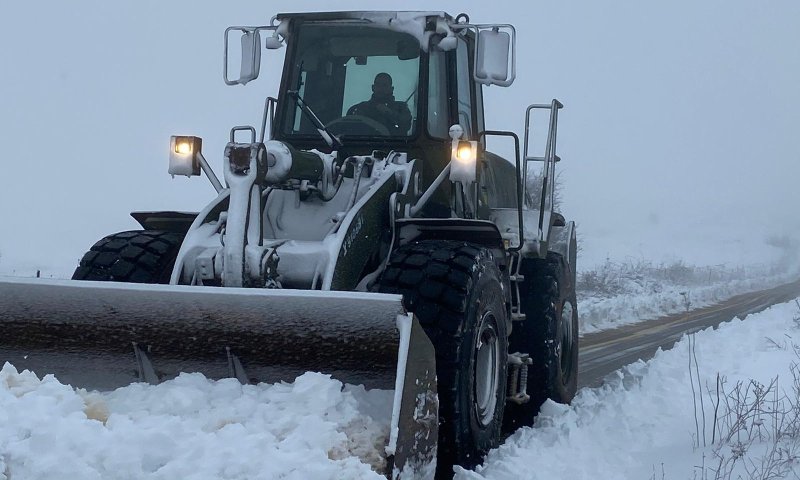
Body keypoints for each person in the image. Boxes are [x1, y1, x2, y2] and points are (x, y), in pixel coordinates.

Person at [347, 72, 412, 135]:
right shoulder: (359, 108)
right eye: (378, 85)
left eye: (385, 85)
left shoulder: (401, 108)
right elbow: (349, 130)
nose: (381, 88)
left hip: (394, 145)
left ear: (391, 89)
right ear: (373, 87)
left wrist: (389, 113)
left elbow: (406, 125)